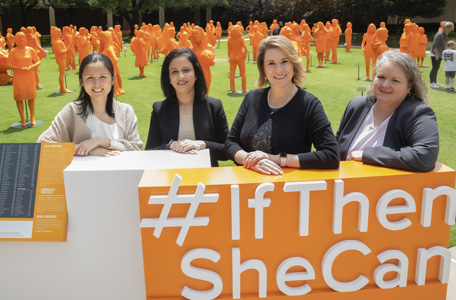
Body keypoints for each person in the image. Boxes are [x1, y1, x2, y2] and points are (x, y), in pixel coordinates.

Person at [225, 35, 339, 175]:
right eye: (271, 63)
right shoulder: (251, 98)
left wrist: (276, 159)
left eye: (284, 61)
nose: (279, 69)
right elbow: (230, 143)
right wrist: (252, 161)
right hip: (248, 190)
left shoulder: (309, 104)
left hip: (288, 190)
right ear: (263, 68)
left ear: (293, 63)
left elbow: (331, 155)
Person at [336, 51, 438, 172]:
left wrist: (367, 155)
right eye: (381, 77)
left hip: (384, 190)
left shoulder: (419, 114)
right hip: (342, 188)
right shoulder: (356, 106)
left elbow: (424, 156)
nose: (385, 85)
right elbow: (334, 150)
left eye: (395, 80)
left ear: (409, 86)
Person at [38, 53, 143, 156]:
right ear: (82, 81)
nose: (97, 84)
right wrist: (85, 148)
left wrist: (103, 142)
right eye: (90, 78)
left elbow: (136, 148)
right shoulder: (72, 110)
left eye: (103, 77)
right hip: (82, 173)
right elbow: (42, 145)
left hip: (121, 173)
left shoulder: (125, 111)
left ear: (113, 79)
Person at [145, 48, 229, 167]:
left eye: (186, 70)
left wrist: (201, 144)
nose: (180, 76)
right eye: (174, 72)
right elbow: (150, 150)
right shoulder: (159, 109)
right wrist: (170, 145)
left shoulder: (214, 106)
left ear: (196, 75)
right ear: (169, 78)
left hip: (206, 178)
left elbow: (226, 150)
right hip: (171, 177)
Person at [7, 31, 41, 127]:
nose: (22, 40)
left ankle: (32, 117)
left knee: (31, 97)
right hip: (18, 76)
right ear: (16, 41)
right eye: (19, 39)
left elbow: (38, 61)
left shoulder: (30, 50)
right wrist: (19, 68)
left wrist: (31, 66)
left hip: (29, 76)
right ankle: (22, 118)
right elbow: (8, 64)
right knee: (19, 97)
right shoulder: (13, 51)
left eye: (23, 38)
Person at [429, 21, 454, 88]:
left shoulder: (444, 35)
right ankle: (431, 83)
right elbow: (434, 45)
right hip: (435, 54)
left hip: (439, 54)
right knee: (434, 68)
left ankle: (435, 82)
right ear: (447, 28)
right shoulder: (439, 34)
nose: (450, 31)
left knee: (437, 68)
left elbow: (442, 45)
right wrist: (436, 54)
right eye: (450, 29)